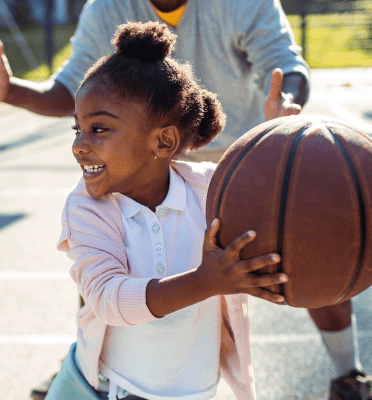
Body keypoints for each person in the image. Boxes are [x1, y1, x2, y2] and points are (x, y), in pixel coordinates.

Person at [0, 1, 372, 399]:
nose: (78, 142)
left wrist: (286, 107)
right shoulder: (105, 10)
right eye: (79, 131)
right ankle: (93, 367)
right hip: (130, 162)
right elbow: (71, 89)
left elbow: (285, 64)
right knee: (108, 267)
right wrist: (10, 89)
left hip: (238, 162)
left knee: (309, 243)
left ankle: (348, 372)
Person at [53, 21, 287, 399]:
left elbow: (274, 207)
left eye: (99, 129)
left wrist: (280, 142)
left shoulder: (210, 190)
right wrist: (205, 281)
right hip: (118, 389)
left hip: (197, 391)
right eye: (77, 128)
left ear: (162, 141)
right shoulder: (87, 208)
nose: (80, 145)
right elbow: (109, 298)